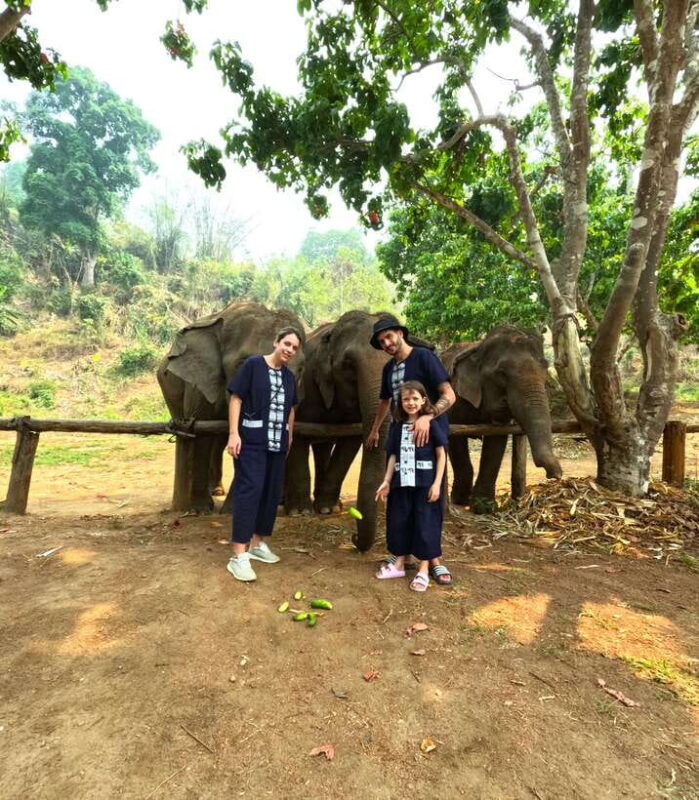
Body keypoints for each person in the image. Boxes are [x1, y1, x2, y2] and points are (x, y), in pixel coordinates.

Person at [367, 314, 456, 586]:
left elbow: (450, 395)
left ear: (400, 333)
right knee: (403, 501)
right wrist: (375, 429)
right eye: (382, 341)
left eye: (389, 337)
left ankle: (433, 560)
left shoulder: (424, 358)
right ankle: (404, 557)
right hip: (403, 437)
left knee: (429, 503)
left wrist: (429, 418)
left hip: (428, 436)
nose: (386, 343)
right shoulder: (388, 370)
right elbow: (385, 402)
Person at [225, 327, 303, 582]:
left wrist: (289, 436)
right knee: (250, 492)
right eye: (287, 344)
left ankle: (258, 544)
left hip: (277, 445)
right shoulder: (254, 365)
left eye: (294, 347)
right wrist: (234, 434)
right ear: (276, 342)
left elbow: (291, 409)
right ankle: (238, 555)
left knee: (270, 494)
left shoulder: (290, 378)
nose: (290, 350)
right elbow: (236, 398)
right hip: (252, 443)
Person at [375, 381, 447, 591]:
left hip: (425, 485)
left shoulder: (432, 424)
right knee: (399, 522)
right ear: (401, 402)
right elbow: (393, 455)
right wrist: (387, 481)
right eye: (406, 399)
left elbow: (441, 455)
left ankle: (423, 570)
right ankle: (399, 563)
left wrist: (437, 484)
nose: (410, 403)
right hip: (401, 483)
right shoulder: (397, 426)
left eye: (415, 398)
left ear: (423, 400)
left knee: (426, 524)